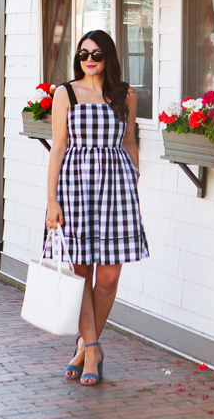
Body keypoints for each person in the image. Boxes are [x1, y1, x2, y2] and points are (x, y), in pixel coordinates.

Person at [44, 29, 149, 386]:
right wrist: (52, 201)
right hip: (76, 187)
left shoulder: (125, 94)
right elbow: (58, 148)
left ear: (109, 58)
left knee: (109, 276)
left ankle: (86, 348)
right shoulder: (66, 93)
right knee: (81, 274)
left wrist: (133, 179)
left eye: (97, 54)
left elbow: (130, 139)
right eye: (84, 54)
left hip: (116, 189)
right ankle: (91, 349)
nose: (89, 60)